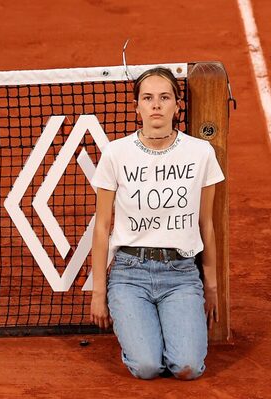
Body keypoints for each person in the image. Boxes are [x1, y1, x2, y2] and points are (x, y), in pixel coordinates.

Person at [90, 66, 225, 380]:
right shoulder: (116, 154)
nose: (156, 105)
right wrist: (99, 292)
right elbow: (102, 226)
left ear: (177, 106)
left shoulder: (200, 153)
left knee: (188, 368)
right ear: (136, 106)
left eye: (164, 97)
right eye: (147, 98)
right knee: (147, 367)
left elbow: (207, 224)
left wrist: (212, 286)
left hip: (181, 275)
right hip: (128, 274)